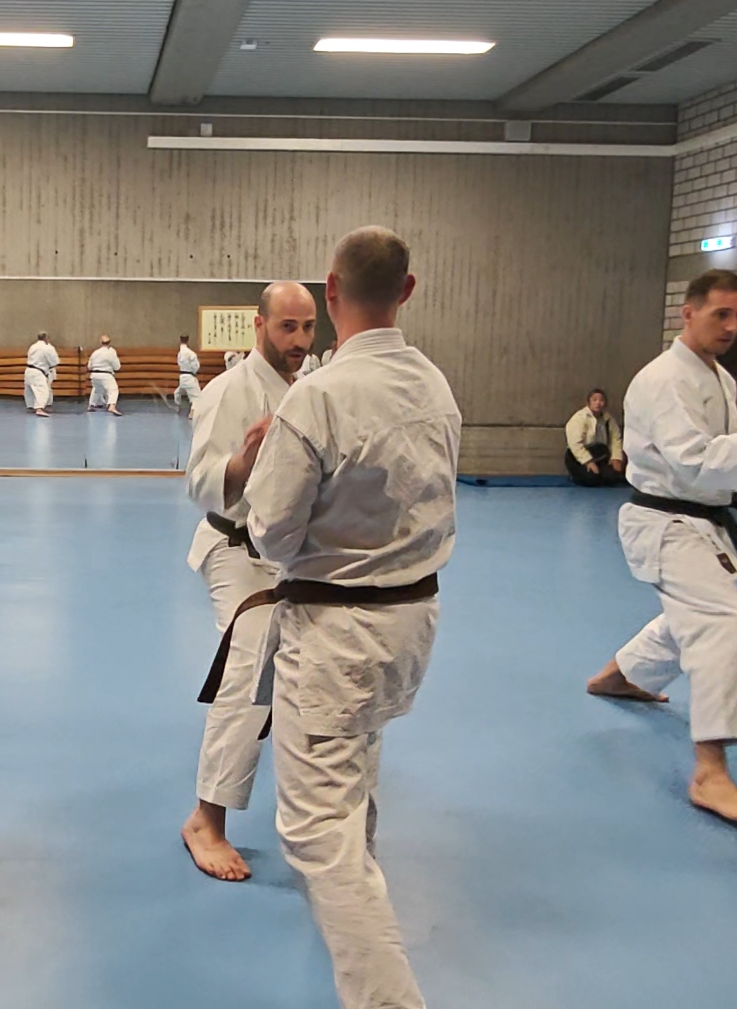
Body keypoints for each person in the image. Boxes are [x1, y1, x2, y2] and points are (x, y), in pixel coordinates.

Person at [244, 228, 459, 1009]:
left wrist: (272, 462)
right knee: (357, 766)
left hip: (338, 632)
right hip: (412, 621)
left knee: (313, 832)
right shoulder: (435, 385)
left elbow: (269, 533)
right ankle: (352, 897)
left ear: (330, 292)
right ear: (406, 291)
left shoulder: (320, 395)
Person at [584, 269, 737, 828]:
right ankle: (711, 772)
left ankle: (620, 676)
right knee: (724, 623)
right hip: (665, 520)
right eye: (720, 314)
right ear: (688, 313)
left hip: (700, 519)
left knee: (696, 611)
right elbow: (691, 461)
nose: (731, 326)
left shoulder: (718, 378)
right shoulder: (666, 379)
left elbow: (723, 460)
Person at [180, 282, 315, 881]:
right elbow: (201, 481)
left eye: (309, 327)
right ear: (259, 326)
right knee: (250, 663)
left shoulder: (312, 388)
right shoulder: (229, 391)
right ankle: (206, 818)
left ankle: (315, 802)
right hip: (234, 548)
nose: (300, 341)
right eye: (288, 327)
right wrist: (243, 460)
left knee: (311, 669)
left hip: (293, 554)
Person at [564, 388, 627, 486]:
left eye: (601, 400)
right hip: (578, 456)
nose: (598, 403)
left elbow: (615, 440)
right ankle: (575, 476)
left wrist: (616, 458)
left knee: (614, 477)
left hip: (599, 454)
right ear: (588, 402)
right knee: (591, 479)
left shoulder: (608, 419)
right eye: (594, 400)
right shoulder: (579, 418)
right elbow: (575, 444)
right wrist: (588, 461)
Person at [25, 333, 58, 417]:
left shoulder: (32, 347)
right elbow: (55, 361)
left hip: (28, 370)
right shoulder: (47, 348)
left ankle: (30, 406)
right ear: (46, 338)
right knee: (43, 391)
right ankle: (39, 409)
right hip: (38, 371)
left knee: (29, 390)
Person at [88, 334, 122, 415]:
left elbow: (89, 366)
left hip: (94, 374)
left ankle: (91, 405)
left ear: (101, 342)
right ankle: (112, 406)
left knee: (96, 390)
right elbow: (117, 366)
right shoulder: (111, 352)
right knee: (113, 390)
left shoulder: (95, 352)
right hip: (106, 374)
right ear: (109, 342)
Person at [173, 334, 202, 413]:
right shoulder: (191, 353)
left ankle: (177, 405)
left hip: (182, 377)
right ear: (188, 342)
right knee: (196, 397)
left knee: (177, 392)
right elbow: (196, 366)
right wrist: (194, 371)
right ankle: (192, 413)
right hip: (189, 377)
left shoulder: (180, 354)